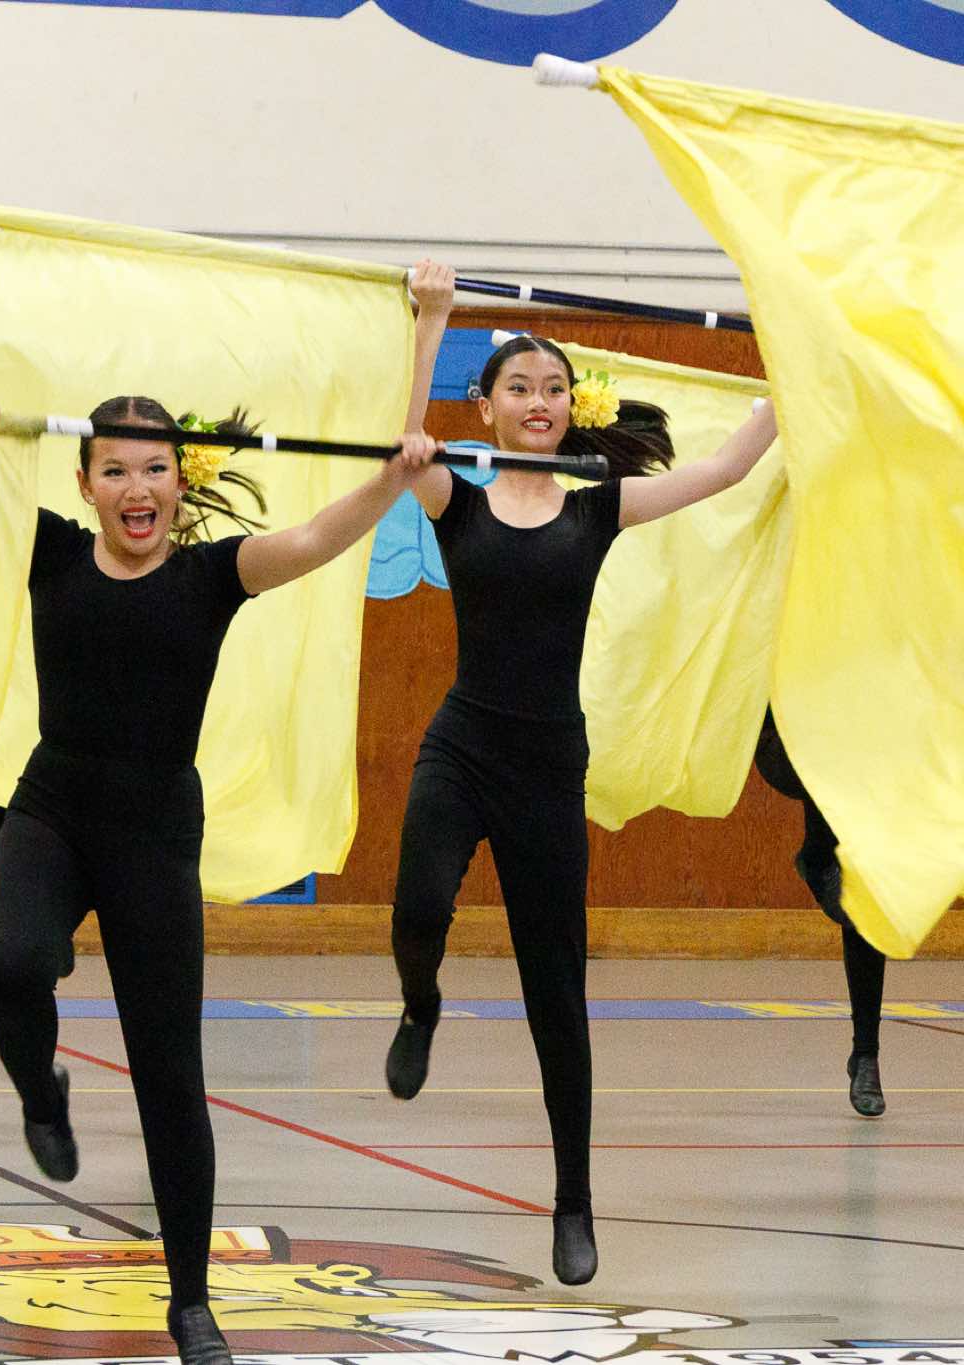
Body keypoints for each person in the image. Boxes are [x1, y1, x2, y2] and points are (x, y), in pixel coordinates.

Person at [0, 392, 438, 1365]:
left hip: (155, 832)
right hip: (52, 808)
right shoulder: (49, 551)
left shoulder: (212, 575)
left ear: (181, 482)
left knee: (170, 1079)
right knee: (8, 970)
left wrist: (395, 474)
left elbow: (316, 537)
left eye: (153, 469)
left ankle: (189, 1304)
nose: (135, 488)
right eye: (114, 470)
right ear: (84, 483)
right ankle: (42, 1095)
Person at [384, 261, 782, 1286]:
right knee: (417, 908)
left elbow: (723, 472)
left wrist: (794, 368)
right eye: (518, 387)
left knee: (554, 994)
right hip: (460, 748)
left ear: (572, 408)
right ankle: (419, 1003)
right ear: (486, 407)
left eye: (553, 389)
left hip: (546, 768)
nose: (538, 400)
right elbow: (400, 442)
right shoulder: (453, 499)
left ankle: (573, 1201)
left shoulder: (598, 507)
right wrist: (433, 317)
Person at [754, 708, 887, 1116]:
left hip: (867, 747)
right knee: (828, 733)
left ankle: (866, 1056)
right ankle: (818, 856)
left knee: (863, 897)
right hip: (785, 739)